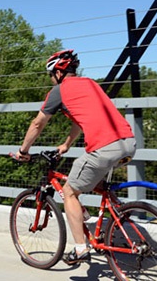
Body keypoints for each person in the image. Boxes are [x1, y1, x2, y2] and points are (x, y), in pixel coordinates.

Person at [14, 49, 136, 265]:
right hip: (128, 142)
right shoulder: (90, 84)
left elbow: (37, 123)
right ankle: (104, 220)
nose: (51, 80)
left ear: (58, 73)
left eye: (51, 76)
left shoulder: (59, 91)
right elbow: (80, 121)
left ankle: (81, 248)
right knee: (93, 180)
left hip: (104, 147)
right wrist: (66, 145)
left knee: (69, 191)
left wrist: (23, 151)